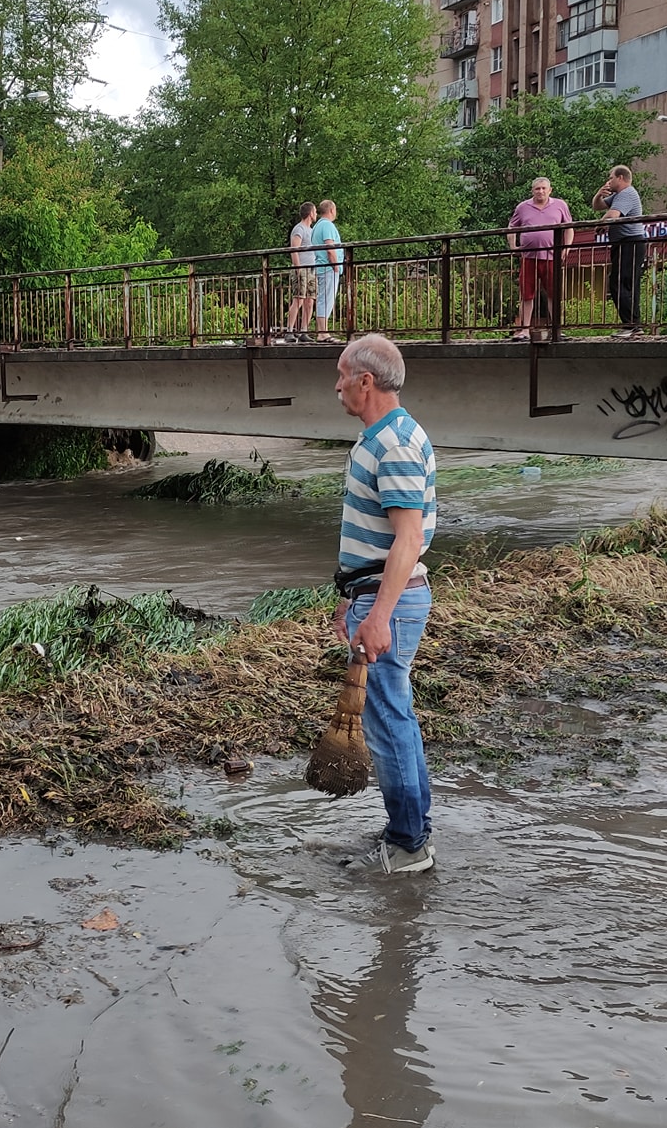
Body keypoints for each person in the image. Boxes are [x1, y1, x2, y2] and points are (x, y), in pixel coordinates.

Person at [330, 333, 436, 874]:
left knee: (388, 722)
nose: (337, 386)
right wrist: (352, 598)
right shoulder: (393, 433)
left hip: (389, 601)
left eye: (342, 376)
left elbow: (409, 539)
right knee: (397, 715)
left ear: (365, 382)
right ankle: (411, 831)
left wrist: (375, 615)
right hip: (377, 594)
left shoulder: (390, 445)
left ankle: (408, 847)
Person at [507, 177, 573, 341]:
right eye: (537, 189)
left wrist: (566, 247)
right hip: (529, 256)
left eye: (544, 188)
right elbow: (511, 227)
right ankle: (525, 330)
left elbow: (569, 228)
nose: (541, 191)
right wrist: (513, 246)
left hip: (551, 256)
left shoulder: (560, 205)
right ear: (532, 191)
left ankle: (556, 328)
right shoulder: (523, 207)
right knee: (526, 294)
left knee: (553, 293)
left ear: (550, 190)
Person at [591, 166, 647, 337]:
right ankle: (632, 325)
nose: (609, 181)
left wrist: (600, 225)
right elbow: (598, 206)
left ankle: (632, 325)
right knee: (623, 282)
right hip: (623, 243)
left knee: (622, 283)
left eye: (611, 178)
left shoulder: (627, 193)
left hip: (630, 243)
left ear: (620, 178)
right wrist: (599, 193)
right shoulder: (617, 196)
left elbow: (613, 215)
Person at [310, 200, 345, 342]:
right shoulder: (327, 225)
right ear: (331, 210)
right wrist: (336, 265)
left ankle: (322, 332)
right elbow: (330, 248)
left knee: (323, 299)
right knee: (326, 299)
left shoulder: (316, 227)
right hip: (328, 268)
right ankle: (323, 333)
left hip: (321, 267)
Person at [283, 202, 317, 342]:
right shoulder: (299, 229)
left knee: (310, 301)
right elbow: (294, 250)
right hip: (302, 268)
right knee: (299, 299)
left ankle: (304, 330)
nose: (316, 214)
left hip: (311, 269)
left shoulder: (312, 230)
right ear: (310, 213)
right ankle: (289, 330)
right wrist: (297, 269)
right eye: (315, 211)